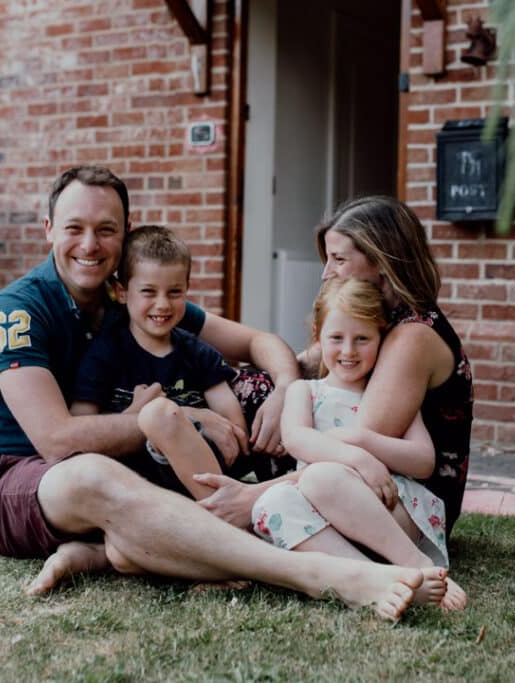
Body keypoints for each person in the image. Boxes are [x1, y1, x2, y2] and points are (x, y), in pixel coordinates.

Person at [0, 166, 431, 621]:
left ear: (126, 233)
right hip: (17, 482)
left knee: (234, 404)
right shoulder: (18, 311)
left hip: (122, 475)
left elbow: (256, 343)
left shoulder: (134, 299)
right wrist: (190, 416)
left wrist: (287, 388)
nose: (90, 244)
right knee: (89, 473)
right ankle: (314, 573)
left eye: (106, 229)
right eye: (74, 228)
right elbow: (56, 443)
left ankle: (107, 553)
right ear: (49, 229)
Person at [192, 196, 473, 592]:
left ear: (381, 260)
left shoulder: (412, 336)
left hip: (399, 496)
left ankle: (217, 515)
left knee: (276, 472)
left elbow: (353, 456)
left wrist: (251, 497)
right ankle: (191, 496)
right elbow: (301, 362)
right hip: (345, 480)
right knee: (252, 387)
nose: (326, 273)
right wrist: (285, 387)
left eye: (338, 260)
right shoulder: (370, 322)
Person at [250, 277, 465, 609]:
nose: (348, 351)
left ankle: (418, 566)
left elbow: (424, 461)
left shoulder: (386, 393)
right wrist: (358, 458)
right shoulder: (305, 391)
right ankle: (371, 578)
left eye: (362, 339)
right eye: (337, 338)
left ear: (380, 338)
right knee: (269, 504)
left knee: (321, 477)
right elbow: (295, 438)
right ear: (317, 337)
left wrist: (362, 440)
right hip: (326, 520)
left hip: (386, 511)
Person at [69, 225, 247, 500]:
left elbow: (231, 421)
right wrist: (136, 415)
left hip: (195, 476)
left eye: (174, 292)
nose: (163, 304)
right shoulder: (104, 354)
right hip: (131, 483)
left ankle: (219, 515)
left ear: (187, 289)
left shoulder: (197, 352)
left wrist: (218, 437)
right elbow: (82, 427)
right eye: (149, 292)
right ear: (122, 291)